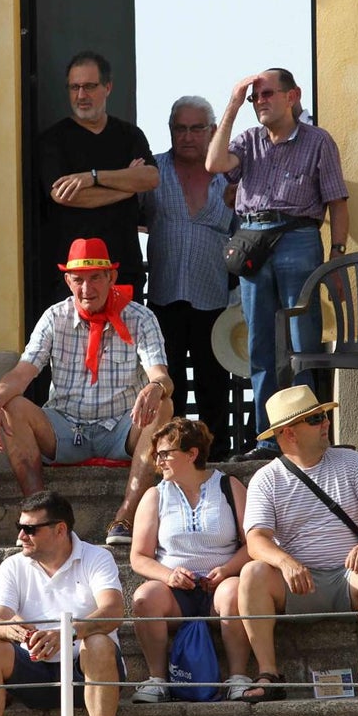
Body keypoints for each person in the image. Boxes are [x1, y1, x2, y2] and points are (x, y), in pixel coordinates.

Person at [0, 238, 173, 545]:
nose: (87, 289)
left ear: (112, 277)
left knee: (164, 405)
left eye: (95, 278)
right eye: (79, 280)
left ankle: (125, 516)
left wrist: (155, 387)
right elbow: (22, 373)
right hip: (64, 427)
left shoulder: (140, 317)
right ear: (67, 281)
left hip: (122, 428)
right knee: (11, 406)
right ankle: (40, 515)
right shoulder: (54, 317)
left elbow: (162, 376)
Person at [205, 68, 350, 462]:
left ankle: (308, 437)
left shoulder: (319, 141)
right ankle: (269, 440)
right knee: (260, 347)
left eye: (267, 94)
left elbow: (337, 202)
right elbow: (214, 162)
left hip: (299, 238)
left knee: (304, 343)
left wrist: (336, 255)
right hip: (254, 240)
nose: (261, 102)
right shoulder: (249, 140)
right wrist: (233, 104)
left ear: (292, 96)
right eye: (255, 98)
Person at [237, 385, 358, 701]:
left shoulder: (350, 460)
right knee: (252, 573)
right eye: (316, 419)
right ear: (289, 434)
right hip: (296, 583)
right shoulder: (265, 479)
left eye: (323, 416)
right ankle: (268, 673)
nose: (326, 423)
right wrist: (285, 561)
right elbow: (255, 540)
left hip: (350, 577)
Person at [0, 491, 125, 716]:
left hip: (85, 670)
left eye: (31, 529)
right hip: (33, 669)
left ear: (60, 529)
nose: (21, 535)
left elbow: (113, 611)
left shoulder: (97, 557)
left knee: (98, 643)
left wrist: (67, 633)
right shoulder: (12, 565)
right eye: (19, 526)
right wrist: (12, 629)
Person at [128, 418, 251, 703]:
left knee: (235, 591)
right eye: (156, 455)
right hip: (174, 592)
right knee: (144, 597)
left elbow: (252, 543)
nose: (158, 462)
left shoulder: (229, 486)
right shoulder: (154, 495)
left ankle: (238, 677)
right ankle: (156, 679)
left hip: (220, 586)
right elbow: (139, 556)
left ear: (192, 454)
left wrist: (228, 569)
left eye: (165, 454)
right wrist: (168, 575)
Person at [141, 97, 237, 462]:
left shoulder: (229, 177)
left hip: (214, 295)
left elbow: (244, 231)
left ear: (213, 131)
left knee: (215, 381)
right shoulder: (154, 171)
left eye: (197, 128)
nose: (188, 136)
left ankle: (216, 455)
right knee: (170, 382)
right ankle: (171, 451)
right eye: (180, 128)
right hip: (165, 295)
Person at [36, 50, 159, 300]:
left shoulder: (130, 135)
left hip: (124, 272)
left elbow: (150, 178)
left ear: (108, 87)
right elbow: (64, 196)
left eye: (90, 86)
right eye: (75, 87)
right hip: (75, 280)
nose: (81, 95)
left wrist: (92, 177)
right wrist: (127, 186)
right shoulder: (54, 141)